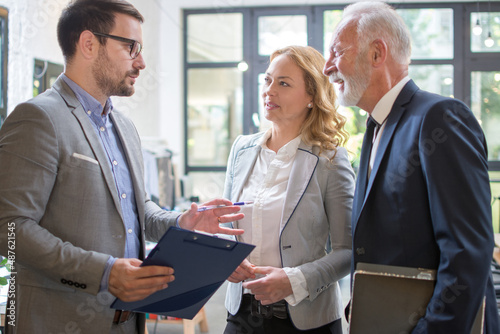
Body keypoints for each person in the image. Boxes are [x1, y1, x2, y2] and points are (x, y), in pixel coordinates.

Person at [0, 1, 244, 333]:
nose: (141, 62)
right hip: (56, 320)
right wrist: (106, 272)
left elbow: (135, 210)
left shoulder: (124, 126)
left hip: (128, 322)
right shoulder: (38, 118)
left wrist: (184, 221)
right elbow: (10, 230)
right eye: (131, 47)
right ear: (89, 44)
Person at [323, 2, 500, 333]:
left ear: (377, 53)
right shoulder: (376, 128)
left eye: (337, 52)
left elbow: (467, 253)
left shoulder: (439, 118)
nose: (326, 68)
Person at [222, 45, 355, 334]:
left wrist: (295, 280)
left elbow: (348, 250)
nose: (270, 90)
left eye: (283, 83)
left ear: (312, 96)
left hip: (307, 322)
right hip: (242, 315)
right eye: (267, 80)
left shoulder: (330, 158)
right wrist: (228, 258)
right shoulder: (242, 149)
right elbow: (227, 226)